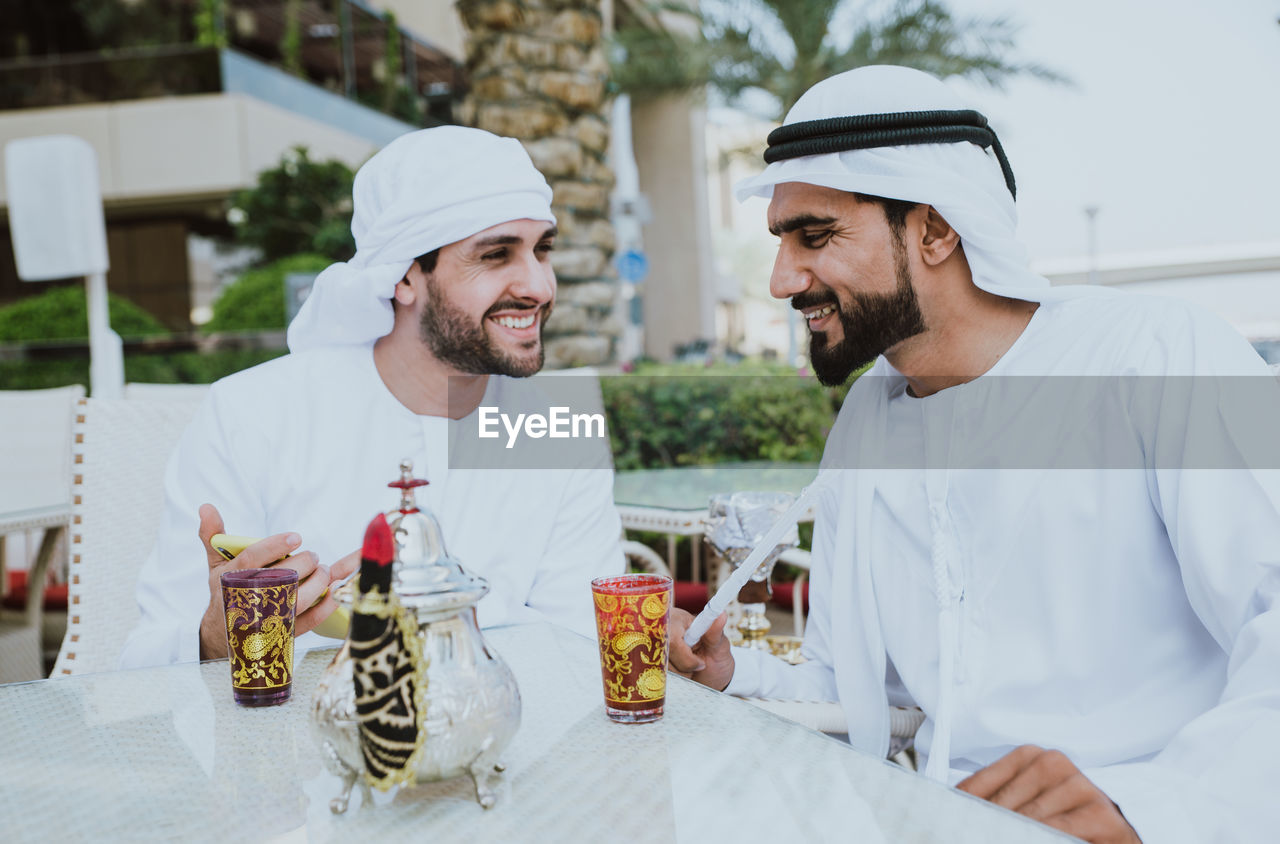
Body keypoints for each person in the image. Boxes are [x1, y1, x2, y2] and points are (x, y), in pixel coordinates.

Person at [671, 66, 1280, 844]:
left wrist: (1154, 808)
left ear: (935, 229)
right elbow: (853, 681)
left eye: (815, 236)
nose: (784, 279)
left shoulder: (1159, 354)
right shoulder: (868, 413)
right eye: (781, 242)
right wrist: (733, 674)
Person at [121, 126, 624, 668]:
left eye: (542, 250)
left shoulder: (559, 426)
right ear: (405, 277)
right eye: (497, 255)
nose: (539, 287)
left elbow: (584, 646)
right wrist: (216, 640)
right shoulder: (251, 415)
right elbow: (146, 664)